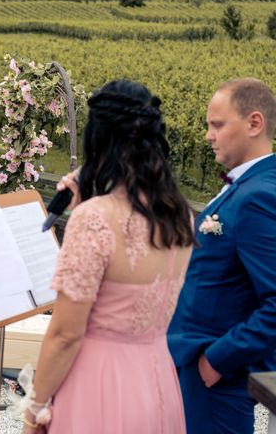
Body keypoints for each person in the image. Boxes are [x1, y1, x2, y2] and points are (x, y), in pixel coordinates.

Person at [20, 80, 195, 433]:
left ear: (99, 138)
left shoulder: (96, 219)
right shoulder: (179, 216)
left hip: (98, 385)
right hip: (157, 380)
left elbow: (66, 334)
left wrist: (34, 407)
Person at [168, 78, 276, 434]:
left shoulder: (259, 197)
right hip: (197, 365)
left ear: (254, 123)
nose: (208, 136)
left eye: (217, 125)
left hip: (216, 378)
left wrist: (216, 361)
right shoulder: (246, 184)